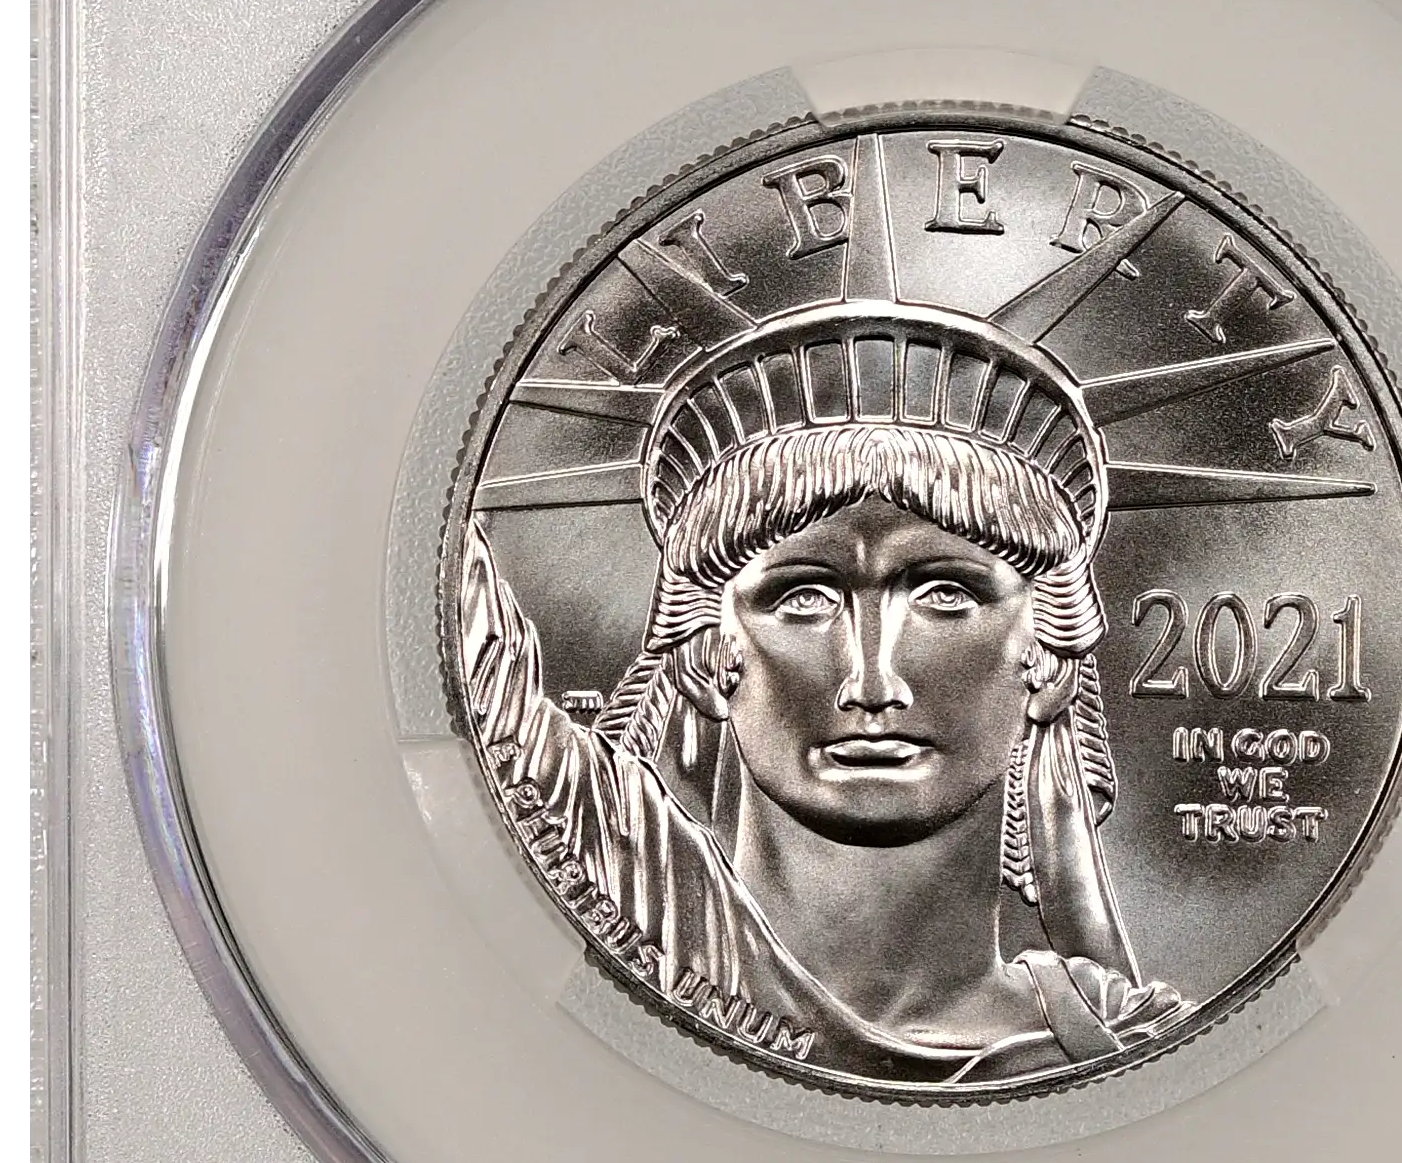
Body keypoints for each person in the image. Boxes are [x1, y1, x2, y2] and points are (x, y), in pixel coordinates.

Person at [461, 303, 1188, 1086]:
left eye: (945, 594)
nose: (872, 682)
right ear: (706, 656)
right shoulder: (635, 902)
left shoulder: (1137, 1045)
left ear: (1046, 661)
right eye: (803, 598)